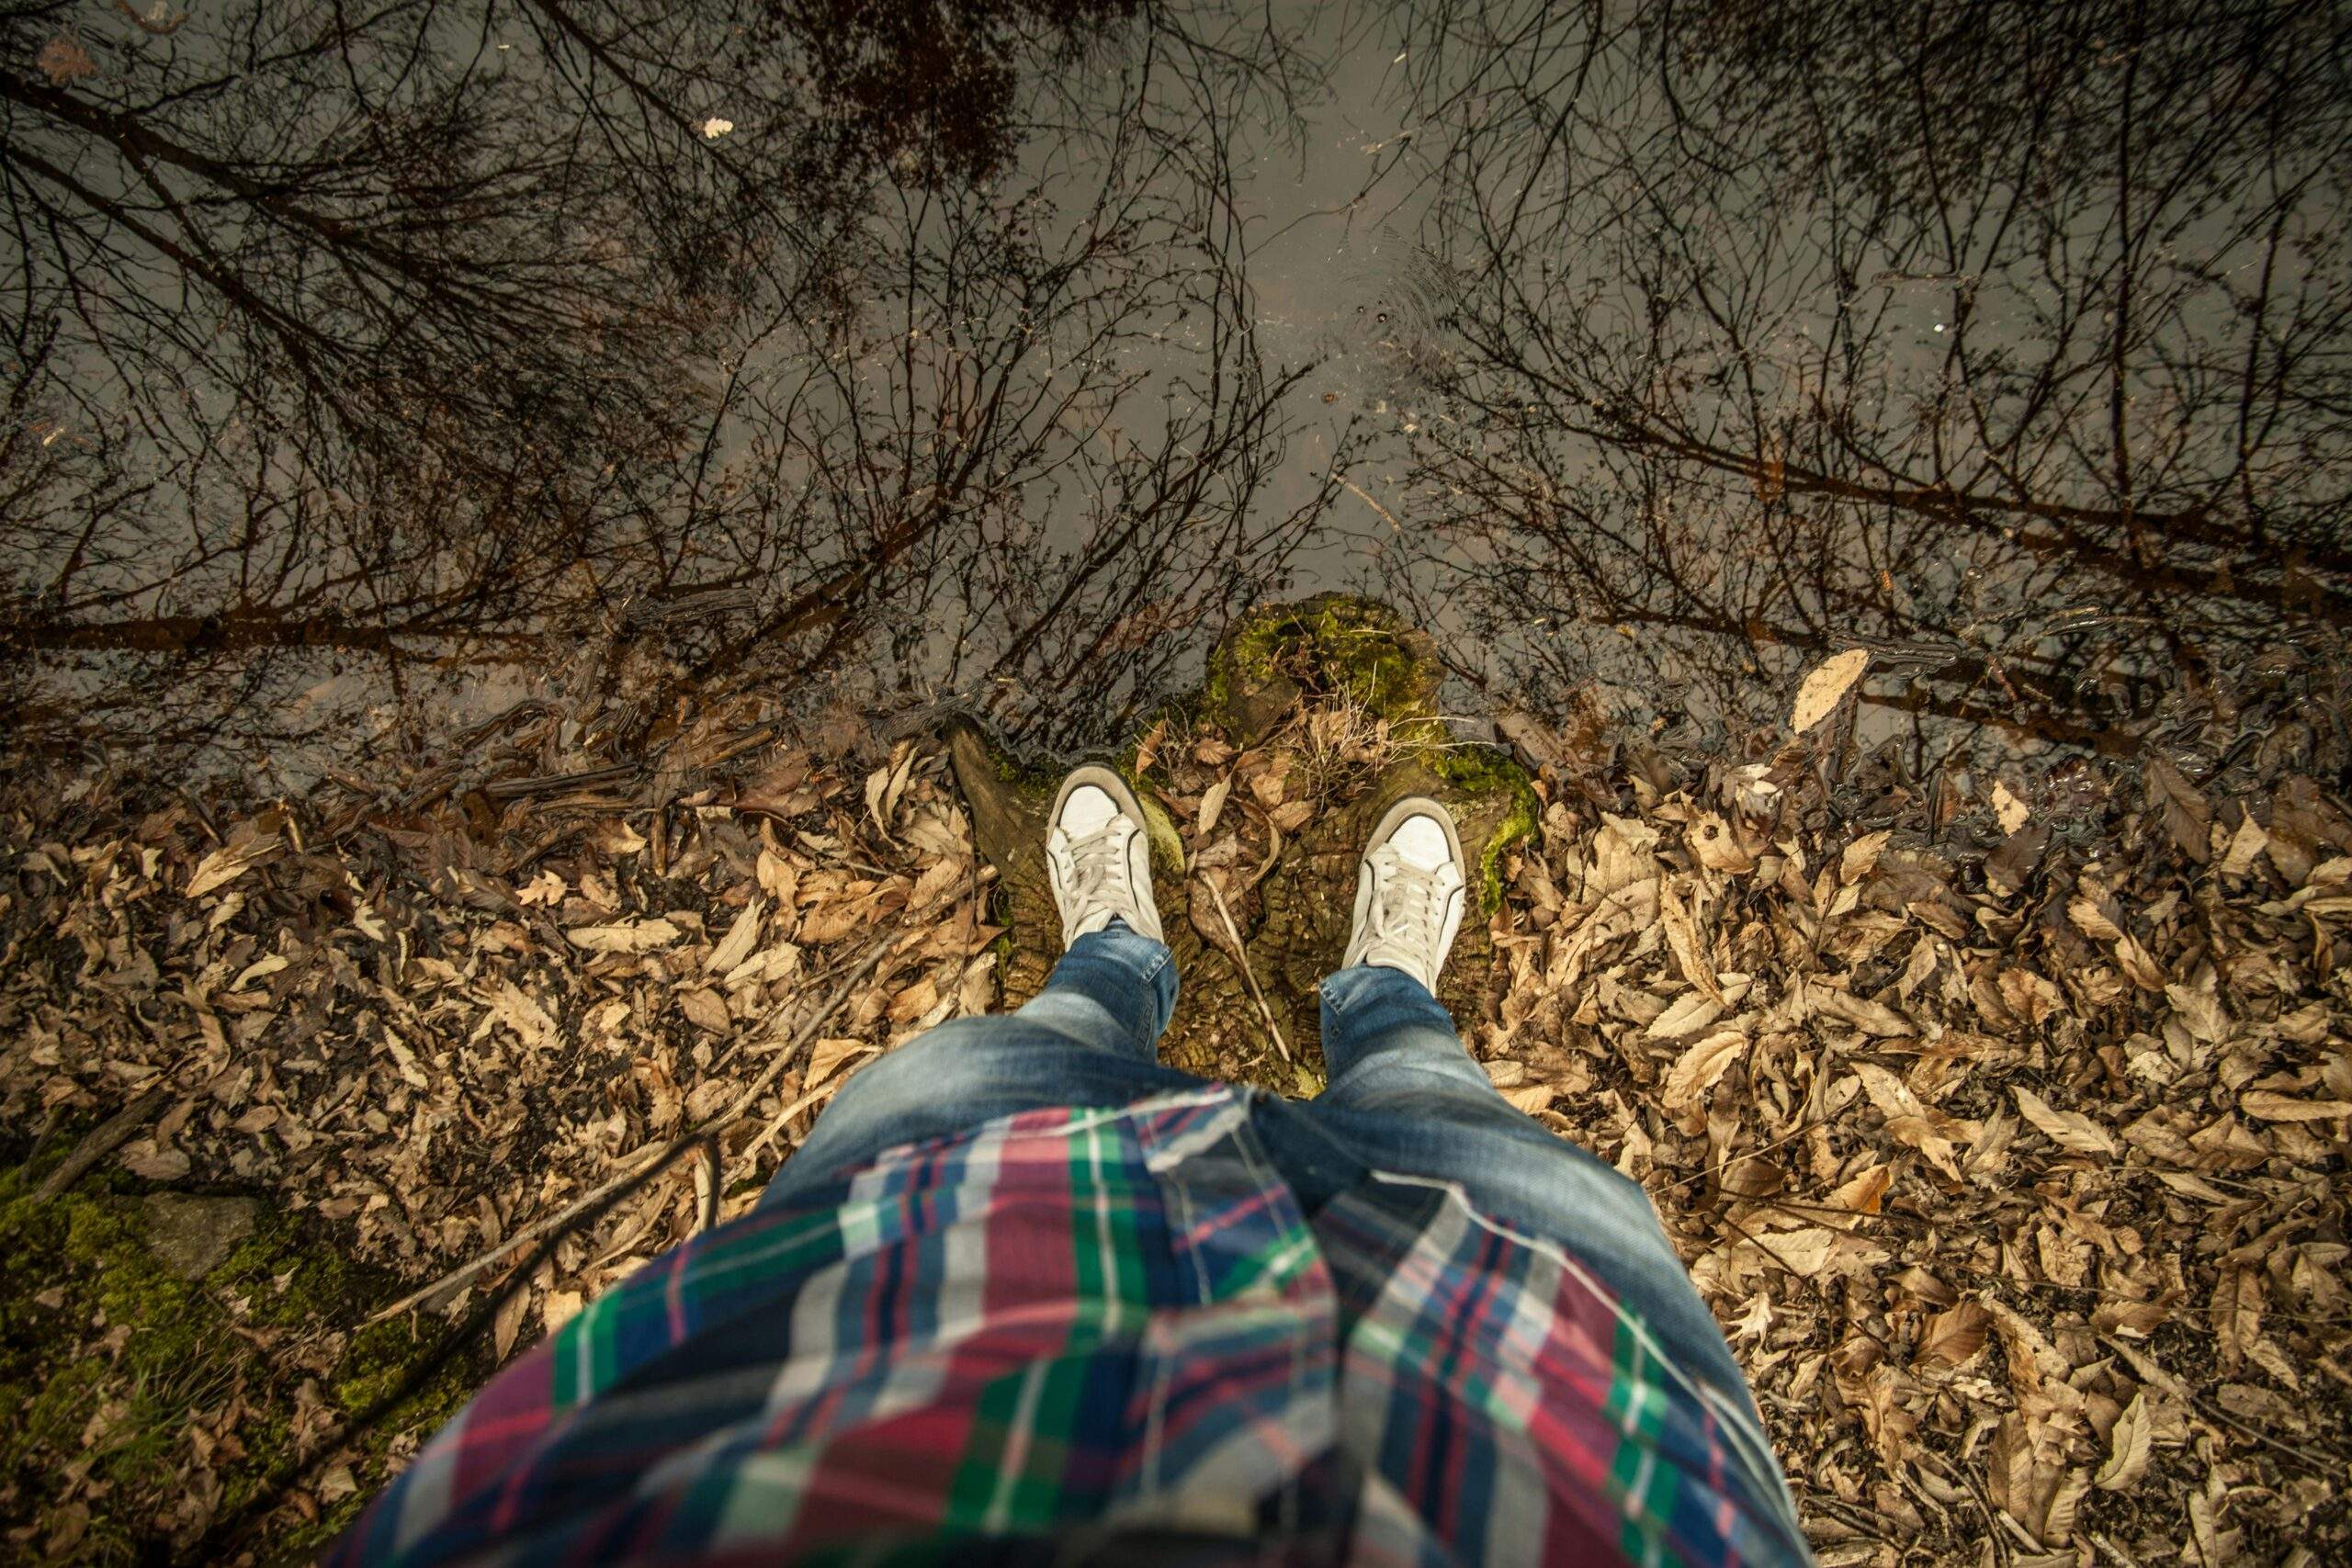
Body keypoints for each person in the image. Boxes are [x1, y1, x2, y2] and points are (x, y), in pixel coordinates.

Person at [332, 768, 1810, 1566]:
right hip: (1539, 1355)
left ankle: (1118, 958)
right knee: (1445, 1100)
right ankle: (1374, 996)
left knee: (986, 1058)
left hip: (936, 1254)